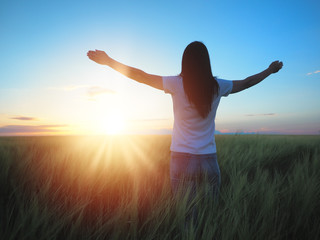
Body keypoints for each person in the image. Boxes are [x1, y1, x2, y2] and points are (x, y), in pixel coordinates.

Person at [87, 41, 283, 206]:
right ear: (207, 62)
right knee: (210, 215)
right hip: (209, 160)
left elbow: (141, 76)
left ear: (185, 62)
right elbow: (247, 82)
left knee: (187, 217)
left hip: (181, 160)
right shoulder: (218, 86)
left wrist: (109, 61)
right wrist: (269, 70)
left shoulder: (175, 83)